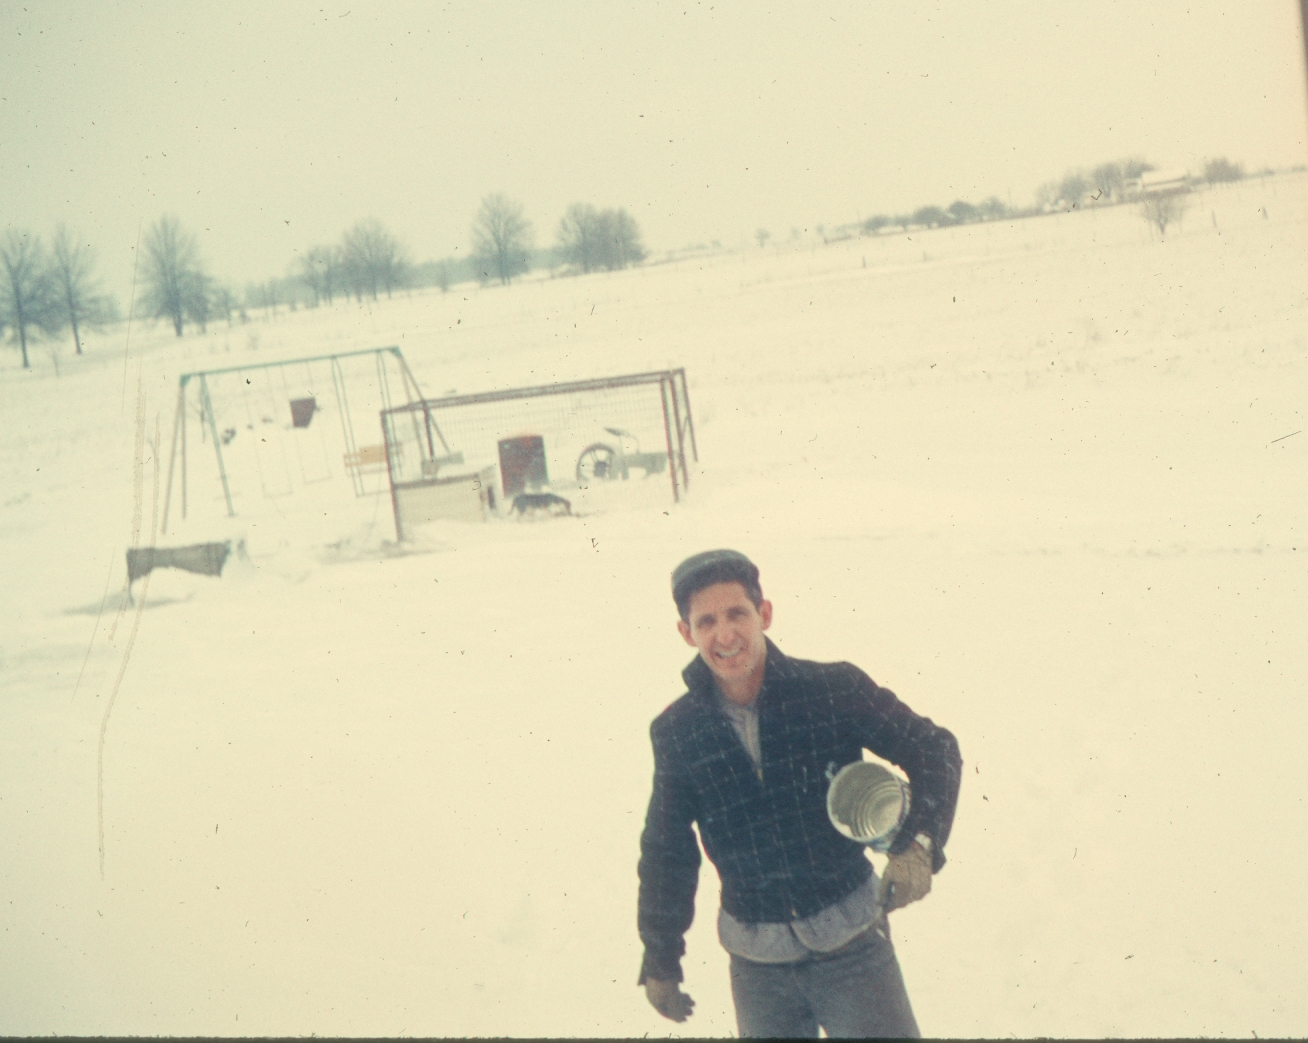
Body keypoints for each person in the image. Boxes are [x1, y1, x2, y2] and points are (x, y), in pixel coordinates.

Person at [637, 549, 962, 1038]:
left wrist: (919, 845)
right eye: (706, 622)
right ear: (687, 633)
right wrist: (661, 958)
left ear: (764, 614)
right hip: (757, 970)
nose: (725, 635)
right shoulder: (678, 732)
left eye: (737, 614)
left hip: (853, 948)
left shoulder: (831, 689)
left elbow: (934, 749)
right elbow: (667, 851)